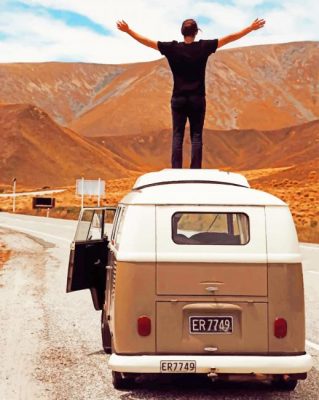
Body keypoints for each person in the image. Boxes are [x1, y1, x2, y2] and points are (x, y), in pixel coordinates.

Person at [117, 18, 265, 168]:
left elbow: (148, 42)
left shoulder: (172, 48)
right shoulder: (203, 47)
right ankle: (195, 170)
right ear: (196, 32)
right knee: (196, 136)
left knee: (177, 136)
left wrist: (128, 31)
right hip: (197, 99)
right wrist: (250, 28)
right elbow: (229, 38)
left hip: (178, 99)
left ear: (182, 32)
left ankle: (176, 170)